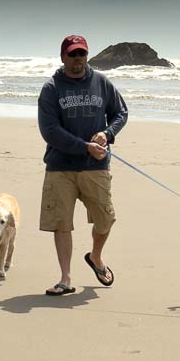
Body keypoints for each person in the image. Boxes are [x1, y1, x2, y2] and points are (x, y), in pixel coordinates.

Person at [38, 34, 128, 296]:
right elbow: (50, 130)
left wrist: (107, 134)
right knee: (61, 223)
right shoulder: (52, 88)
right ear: (63, 57)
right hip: (60, 167)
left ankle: (96, 257)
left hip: (95, 167)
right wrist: (83, 146)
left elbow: (121, 113)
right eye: (72, 54)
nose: (78, 59)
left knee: (105, 219)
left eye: (82, 54)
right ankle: (65, 279)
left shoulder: (101, 82)